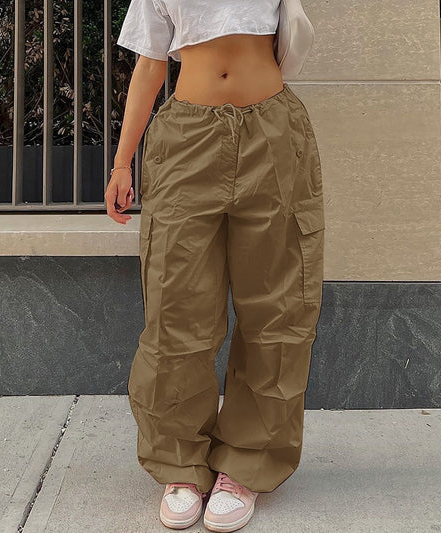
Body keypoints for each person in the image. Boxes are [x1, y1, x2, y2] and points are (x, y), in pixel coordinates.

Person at [105, 1, 325, 531]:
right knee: (175, 307)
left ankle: (246, 465)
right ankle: (180, 463)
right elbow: (150, 64)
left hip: (272, 133)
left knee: (277, 309)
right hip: (187, 137)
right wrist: (121, 161)